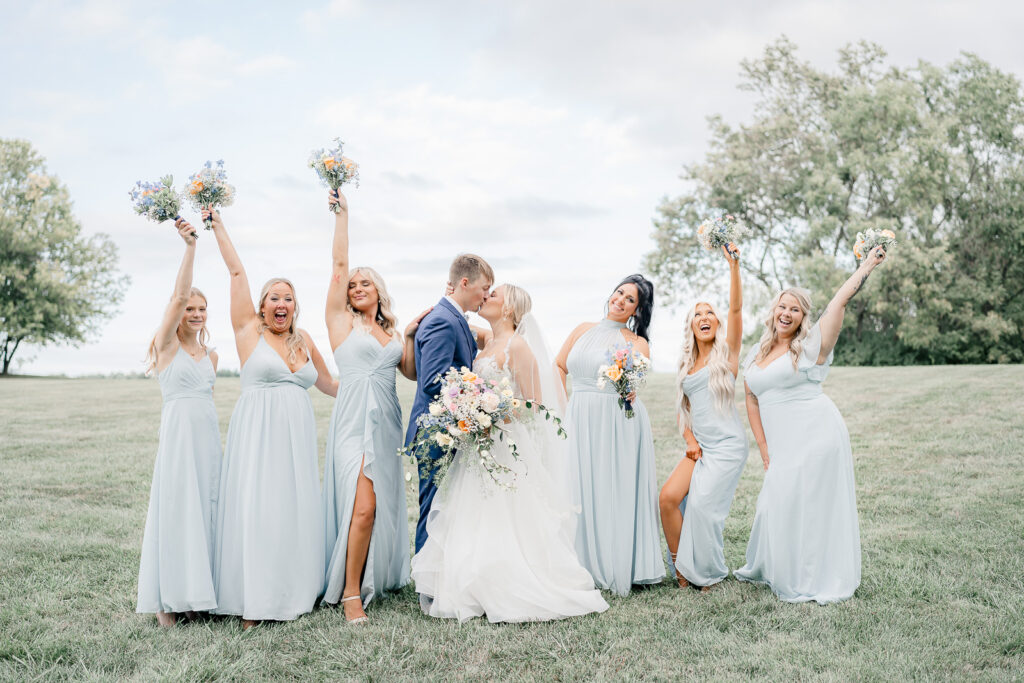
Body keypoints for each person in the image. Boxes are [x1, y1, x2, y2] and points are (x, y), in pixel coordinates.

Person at [411, 285, 609, 622]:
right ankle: (471, 586)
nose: (486, 296)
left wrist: (491, 412)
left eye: (494, 294)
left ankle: (506, 584)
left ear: (509, 308)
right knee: (471, 511)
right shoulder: (487, 341)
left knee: (504, 515)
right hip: (477, 442)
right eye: (486, 292)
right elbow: (454, 314)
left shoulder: (518, 346)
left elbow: (533, 402)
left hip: (502, 440)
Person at [207, 206, 338, 627]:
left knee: (291, 510)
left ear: (294, 306)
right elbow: (236, 274)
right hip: (257, 436)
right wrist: (218, 225)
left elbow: (330, 384)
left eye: (288, 297)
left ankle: (291, 590)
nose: (281, 303)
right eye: (274, 297)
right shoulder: (249, 332)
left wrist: (371, 385)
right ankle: (253, 599)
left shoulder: (304, 340)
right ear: (262, 305)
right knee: (258, 509)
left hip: (296, 441)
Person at [735, 245, 888, 603]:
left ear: (803, 317)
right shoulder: (756, 353)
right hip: (782, 441)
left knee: (807, 503)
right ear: (773, 311)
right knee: (778, 500)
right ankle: (775, 566)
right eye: (782, 306)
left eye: (795, 309)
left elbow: (838, 303)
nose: (786, 313)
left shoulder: (807, 348)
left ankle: (813, 574)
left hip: (816, 432)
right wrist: (763, 447)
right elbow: (751, 399)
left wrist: (866, 265)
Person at [320, 189, 429, 624]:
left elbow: (410, 373)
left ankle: (374, 574)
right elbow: (338, 265)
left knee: (378, 506)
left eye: (367, 282)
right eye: (353, 284)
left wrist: (409, 335)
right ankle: (350, 593)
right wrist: (343, 215)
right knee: (361, 506)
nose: (357, 286)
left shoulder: (389, 332)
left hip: (387, 421)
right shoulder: (340, 321)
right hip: (352, 420)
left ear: (379, 291)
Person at [554, 274, 665, 596]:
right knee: (578, 484)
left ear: (637, 310)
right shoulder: (582, 329)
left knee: (610, 485)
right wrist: (565, 409)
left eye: (630, 299)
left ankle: (616, 560)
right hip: (579, 414)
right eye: (619, 293)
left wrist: (631, 390)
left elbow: (633, 383)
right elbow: (559, 366)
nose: (620, 300)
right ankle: (579, 561)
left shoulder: (637, 343)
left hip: (616, 420)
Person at [136, 218, 221, 626]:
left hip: (206, 440)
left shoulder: (214, 358)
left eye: (202, 309)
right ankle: (165, 602)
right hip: (177, 440)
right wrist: (191, 247)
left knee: (204, 510)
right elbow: (177, 295)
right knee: (176, 509)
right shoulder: (165, 345)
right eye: (190, 308)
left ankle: (195, 596)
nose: (196, 313)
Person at [659, 244, 747, 590]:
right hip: (701, 447)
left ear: (717, 323)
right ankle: (683, 571)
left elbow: (737, 309)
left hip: (726, 446)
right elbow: (683, 411)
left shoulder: (727, 358)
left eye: (710, 313)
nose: (705, 317)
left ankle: (706, 575)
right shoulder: (684, 365)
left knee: (703, 510)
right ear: (691, 325)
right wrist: (690, 441)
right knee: (667, 499)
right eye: (698, 314)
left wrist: (734, 266)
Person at [405, 254, 494, 552]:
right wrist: (481, 398)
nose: (486, 295)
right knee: (434, 510)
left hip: (450, 428)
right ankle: (427, 591)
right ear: (465, 283)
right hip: (436, 432)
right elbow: (433, 380)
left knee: (446, 508)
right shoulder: (442, 320)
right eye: (485, 287)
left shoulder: (454, 317)